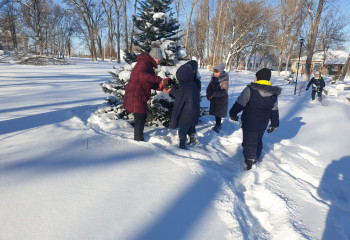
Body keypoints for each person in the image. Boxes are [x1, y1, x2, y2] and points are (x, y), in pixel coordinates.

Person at [229, 68, 282, 170]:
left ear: (258, 78)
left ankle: (249, 160)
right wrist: (274, 124)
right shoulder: (273, 93)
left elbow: (240, 103)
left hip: (249, 121)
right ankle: (256, 155)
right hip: (263, 123)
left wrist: (233, 113)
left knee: (249, 140)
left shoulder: (250, 89)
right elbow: (274, 109)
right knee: (258, 139)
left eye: (255, 76)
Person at [123, 43, 169, 141]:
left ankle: (139, 137)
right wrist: (158, 79)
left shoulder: (148, 64)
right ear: (154, 57)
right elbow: (141, 75)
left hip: (140, 95)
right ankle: (138, 140)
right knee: (140, 117)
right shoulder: (144, 63)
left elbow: (149, 81)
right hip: (136, 95)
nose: (159, 62)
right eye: (159, 60)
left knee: (141, 117)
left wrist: (161, 88)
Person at [169, 63, 200, 150]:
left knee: (182, 132)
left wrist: (173, 122)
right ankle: (194, 140)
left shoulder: (183, 87)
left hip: (185, 116)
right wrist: (172, 91)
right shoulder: (194, 85)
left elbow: (178, 104)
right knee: (190, 128)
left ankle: (182, 146)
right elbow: (184, 96)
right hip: (194, 114)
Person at [206, 63, 229, 133]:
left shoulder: (225, 80)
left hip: (221, 100)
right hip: (214, 99)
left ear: (221, 72)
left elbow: (224, 91)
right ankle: (217, 123)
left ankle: (218, 125)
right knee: (215, 112)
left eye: (217, 72)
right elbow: (209, 87)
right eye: (214, 72)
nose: (215, 73)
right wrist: (208, 94)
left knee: (218, 113)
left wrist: (213, 94)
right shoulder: (213, 79)